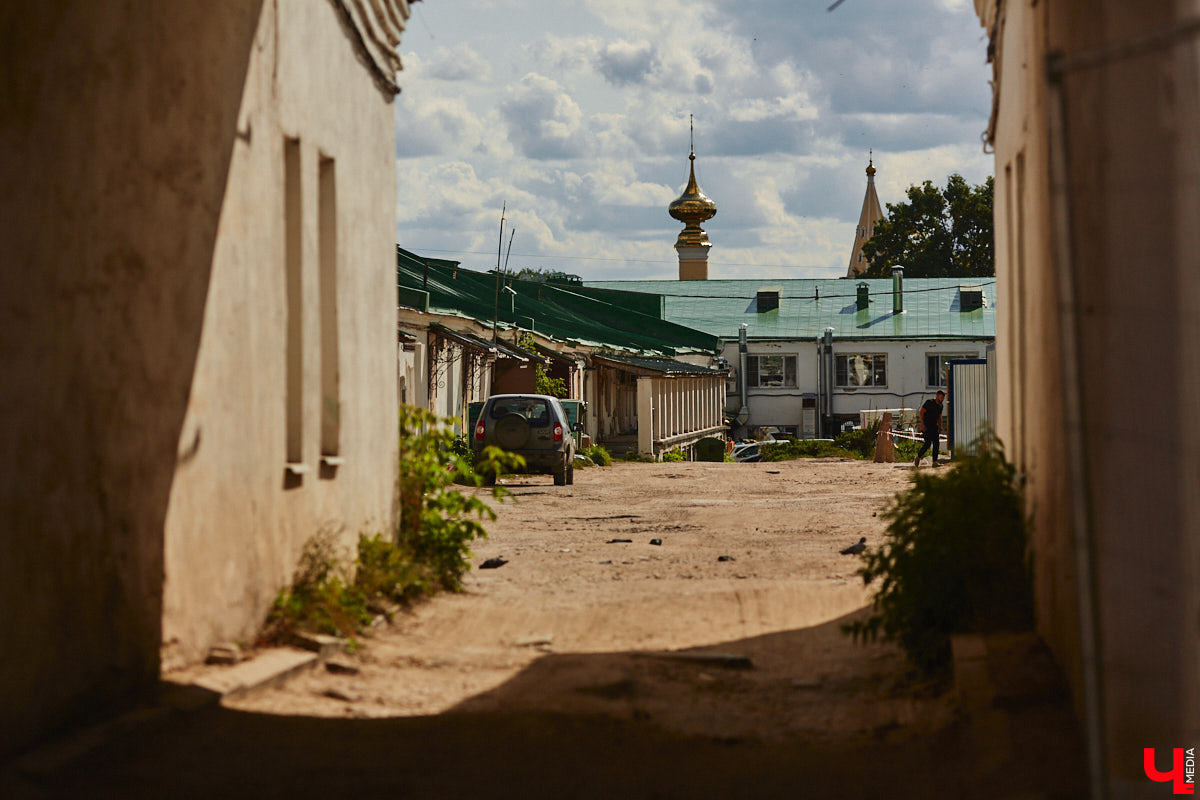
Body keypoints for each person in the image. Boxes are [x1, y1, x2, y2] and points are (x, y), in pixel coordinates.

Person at [915, 390, 946, 467]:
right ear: (937, 396)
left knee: (936, 443)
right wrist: (922, 424)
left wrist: (940, 426)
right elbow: (921, 412)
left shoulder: (940, 406)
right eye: (941, 397)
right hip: (926, 426)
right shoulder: (929, 402)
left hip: (934, 426)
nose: (942, 399)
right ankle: (918, 457)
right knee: (928, 443)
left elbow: (939, 417)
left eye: (943, 398)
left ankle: (934, 462)